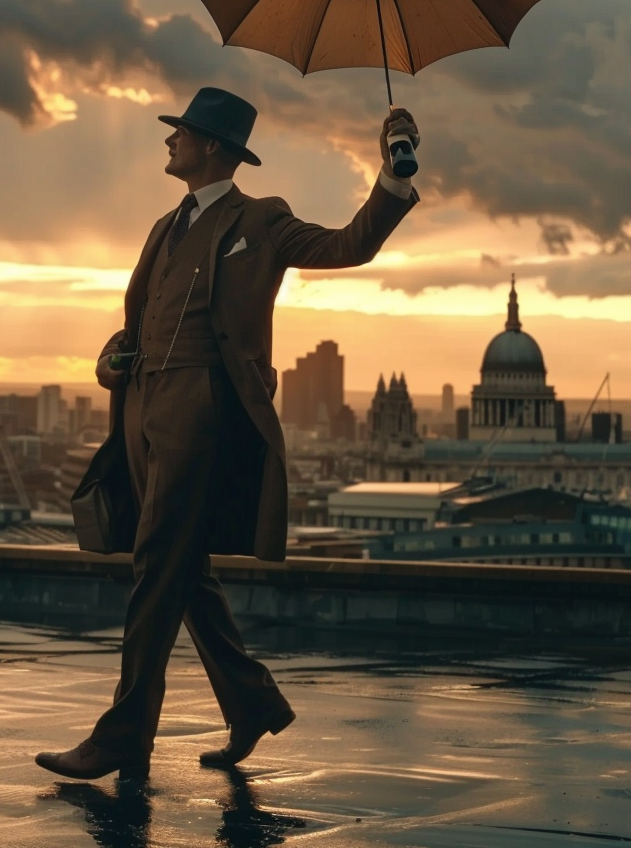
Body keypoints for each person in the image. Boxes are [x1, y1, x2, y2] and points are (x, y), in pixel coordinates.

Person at [35, 87, 419, 781]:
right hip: (143, 415)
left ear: (211, 145)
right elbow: (138, 323)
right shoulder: (163, 226)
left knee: (157, 566)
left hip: (204, 418)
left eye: (179, 131)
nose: (168, 140)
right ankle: (251, 705)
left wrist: (394, 173)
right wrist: (108, 362)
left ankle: (124, 736)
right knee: (187, 574)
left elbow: (350, 245)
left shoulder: (261, 220)